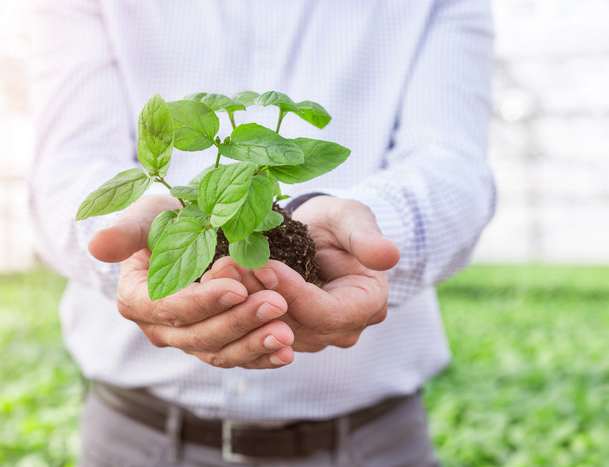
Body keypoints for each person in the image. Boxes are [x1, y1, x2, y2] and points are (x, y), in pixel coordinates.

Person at [29, 0, 496, 465]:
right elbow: (62, 171)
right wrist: (137, 251)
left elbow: (453, 166)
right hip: (134, 436)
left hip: (373, 441)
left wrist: (363, 234)